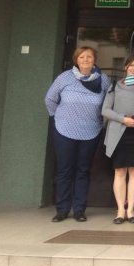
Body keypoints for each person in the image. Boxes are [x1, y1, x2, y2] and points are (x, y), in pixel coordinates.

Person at [45, 46, 111, 222]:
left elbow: (110, 102)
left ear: (94, 59)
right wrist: (58, 117)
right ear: (76, 60)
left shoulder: (103, 79)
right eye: (82, 57)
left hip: (91, 130)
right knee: (64, 170)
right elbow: (50, 99)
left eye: (89, 57)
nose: (85, 60)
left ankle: (79, 210)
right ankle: (62, 210)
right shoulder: (65, 77)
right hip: (64, 130)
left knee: (83, 170)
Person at [102, 55, 134, 224]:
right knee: (119, 172)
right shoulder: (115, 86)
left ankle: (131, 210)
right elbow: (105, 110)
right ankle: (120, 211)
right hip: (119, 132)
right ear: (126, 67)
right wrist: (123, 119)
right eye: (131, 65)